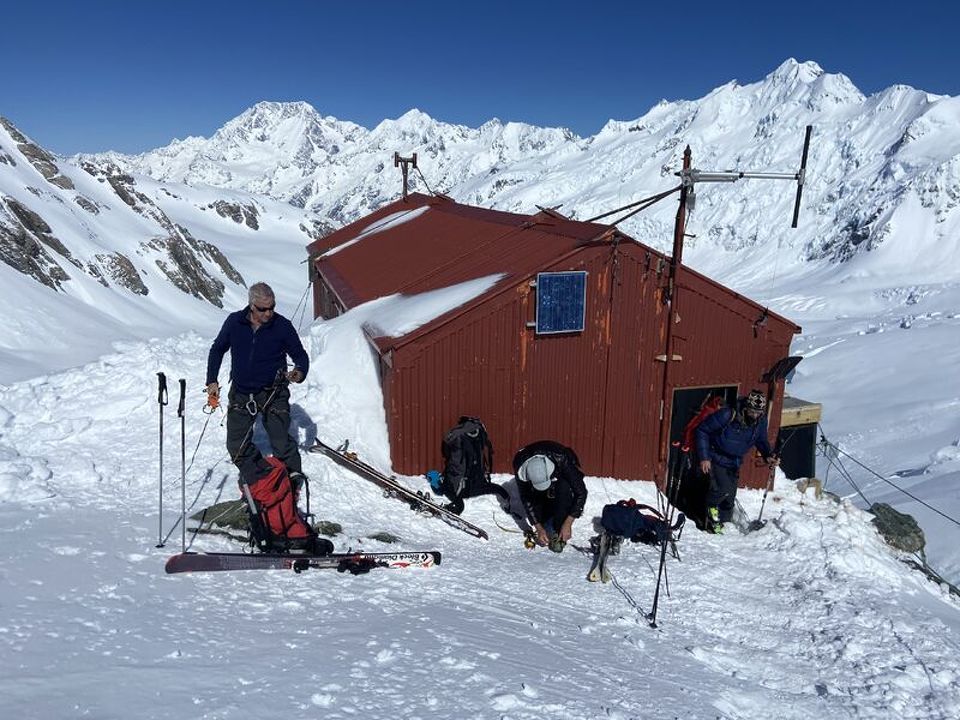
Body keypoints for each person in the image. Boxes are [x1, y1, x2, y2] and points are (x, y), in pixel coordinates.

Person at [206, 282, 310, 485]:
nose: (269, 313)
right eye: (263, 309)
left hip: (274, 392)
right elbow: (217, 349)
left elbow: (300, 355)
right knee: (236, 446)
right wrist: (212, 380)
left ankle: (293, 480)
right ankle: (262, 478)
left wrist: (299, 372)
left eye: (272, 307)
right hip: (241, 392)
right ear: (251, 306)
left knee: (281, 442)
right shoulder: (234, 322)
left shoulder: (282, 326)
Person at [695, 389, 778, 534]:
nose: (755, 415)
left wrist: (768, 455)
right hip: (716, 457)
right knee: (722, 490)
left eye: (758, 412)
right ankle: (710, 518)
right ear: (746, 407)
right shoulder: (728, 414)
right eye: (752, 411)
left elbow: (761, 440)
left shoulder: (760, 422)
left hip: (734, 462)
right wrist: (704, 457)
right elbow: (702, 430)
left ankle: (726, 526)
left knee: (730, 498)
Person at [512, 440, 588, 552]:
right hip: (538, 483)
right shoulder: (520, 465)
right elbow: (526, 498)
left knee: (564, 487)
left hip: (561, 473)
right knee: (537, 501)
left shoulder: (561, 458)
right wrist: (538, 528)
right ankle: (545, 519)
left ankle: (560, 526)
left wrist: (568, 523)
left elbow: (581, 492)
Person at [430, 416, 509, 515]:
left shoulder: (456, 434)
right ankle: (506, 499)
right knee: (496, 489)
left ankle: (452, 504)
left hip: (458, 485)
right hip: (478, 483)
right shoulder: (479, 431)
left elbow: (446, 452)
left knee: (457, 502)